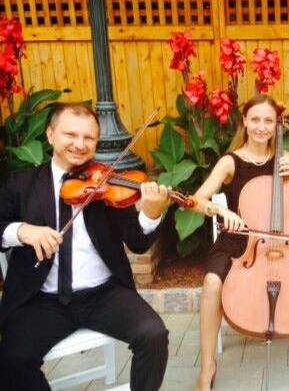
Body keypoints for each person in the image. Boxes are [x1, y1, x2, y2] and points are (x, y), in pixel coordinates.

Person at [0, 103, 172, 391]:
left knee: (154, 334)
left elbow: (138, 243)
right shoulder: (22, 183)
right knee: (12, 362)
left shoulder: (105, 183)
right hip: (41, 300)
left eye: (89, 138)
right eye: (71, 135)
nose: (80, 145)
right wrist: (22, 231)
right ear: (51, 134)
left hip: (104, 294)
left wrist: (152, 213)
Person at [192, 94, 289, 391]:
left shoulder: (284, 158)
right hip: (240, 240)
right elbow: (197, 200)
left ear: (276, 124)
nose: (262, 127)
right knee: (212, 284)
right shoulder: (231, 161)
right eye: (256, 119)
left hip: (281, 241)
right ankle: (207, 367)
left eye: (268, 120)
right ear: (245, 122)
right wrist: (222, 210)